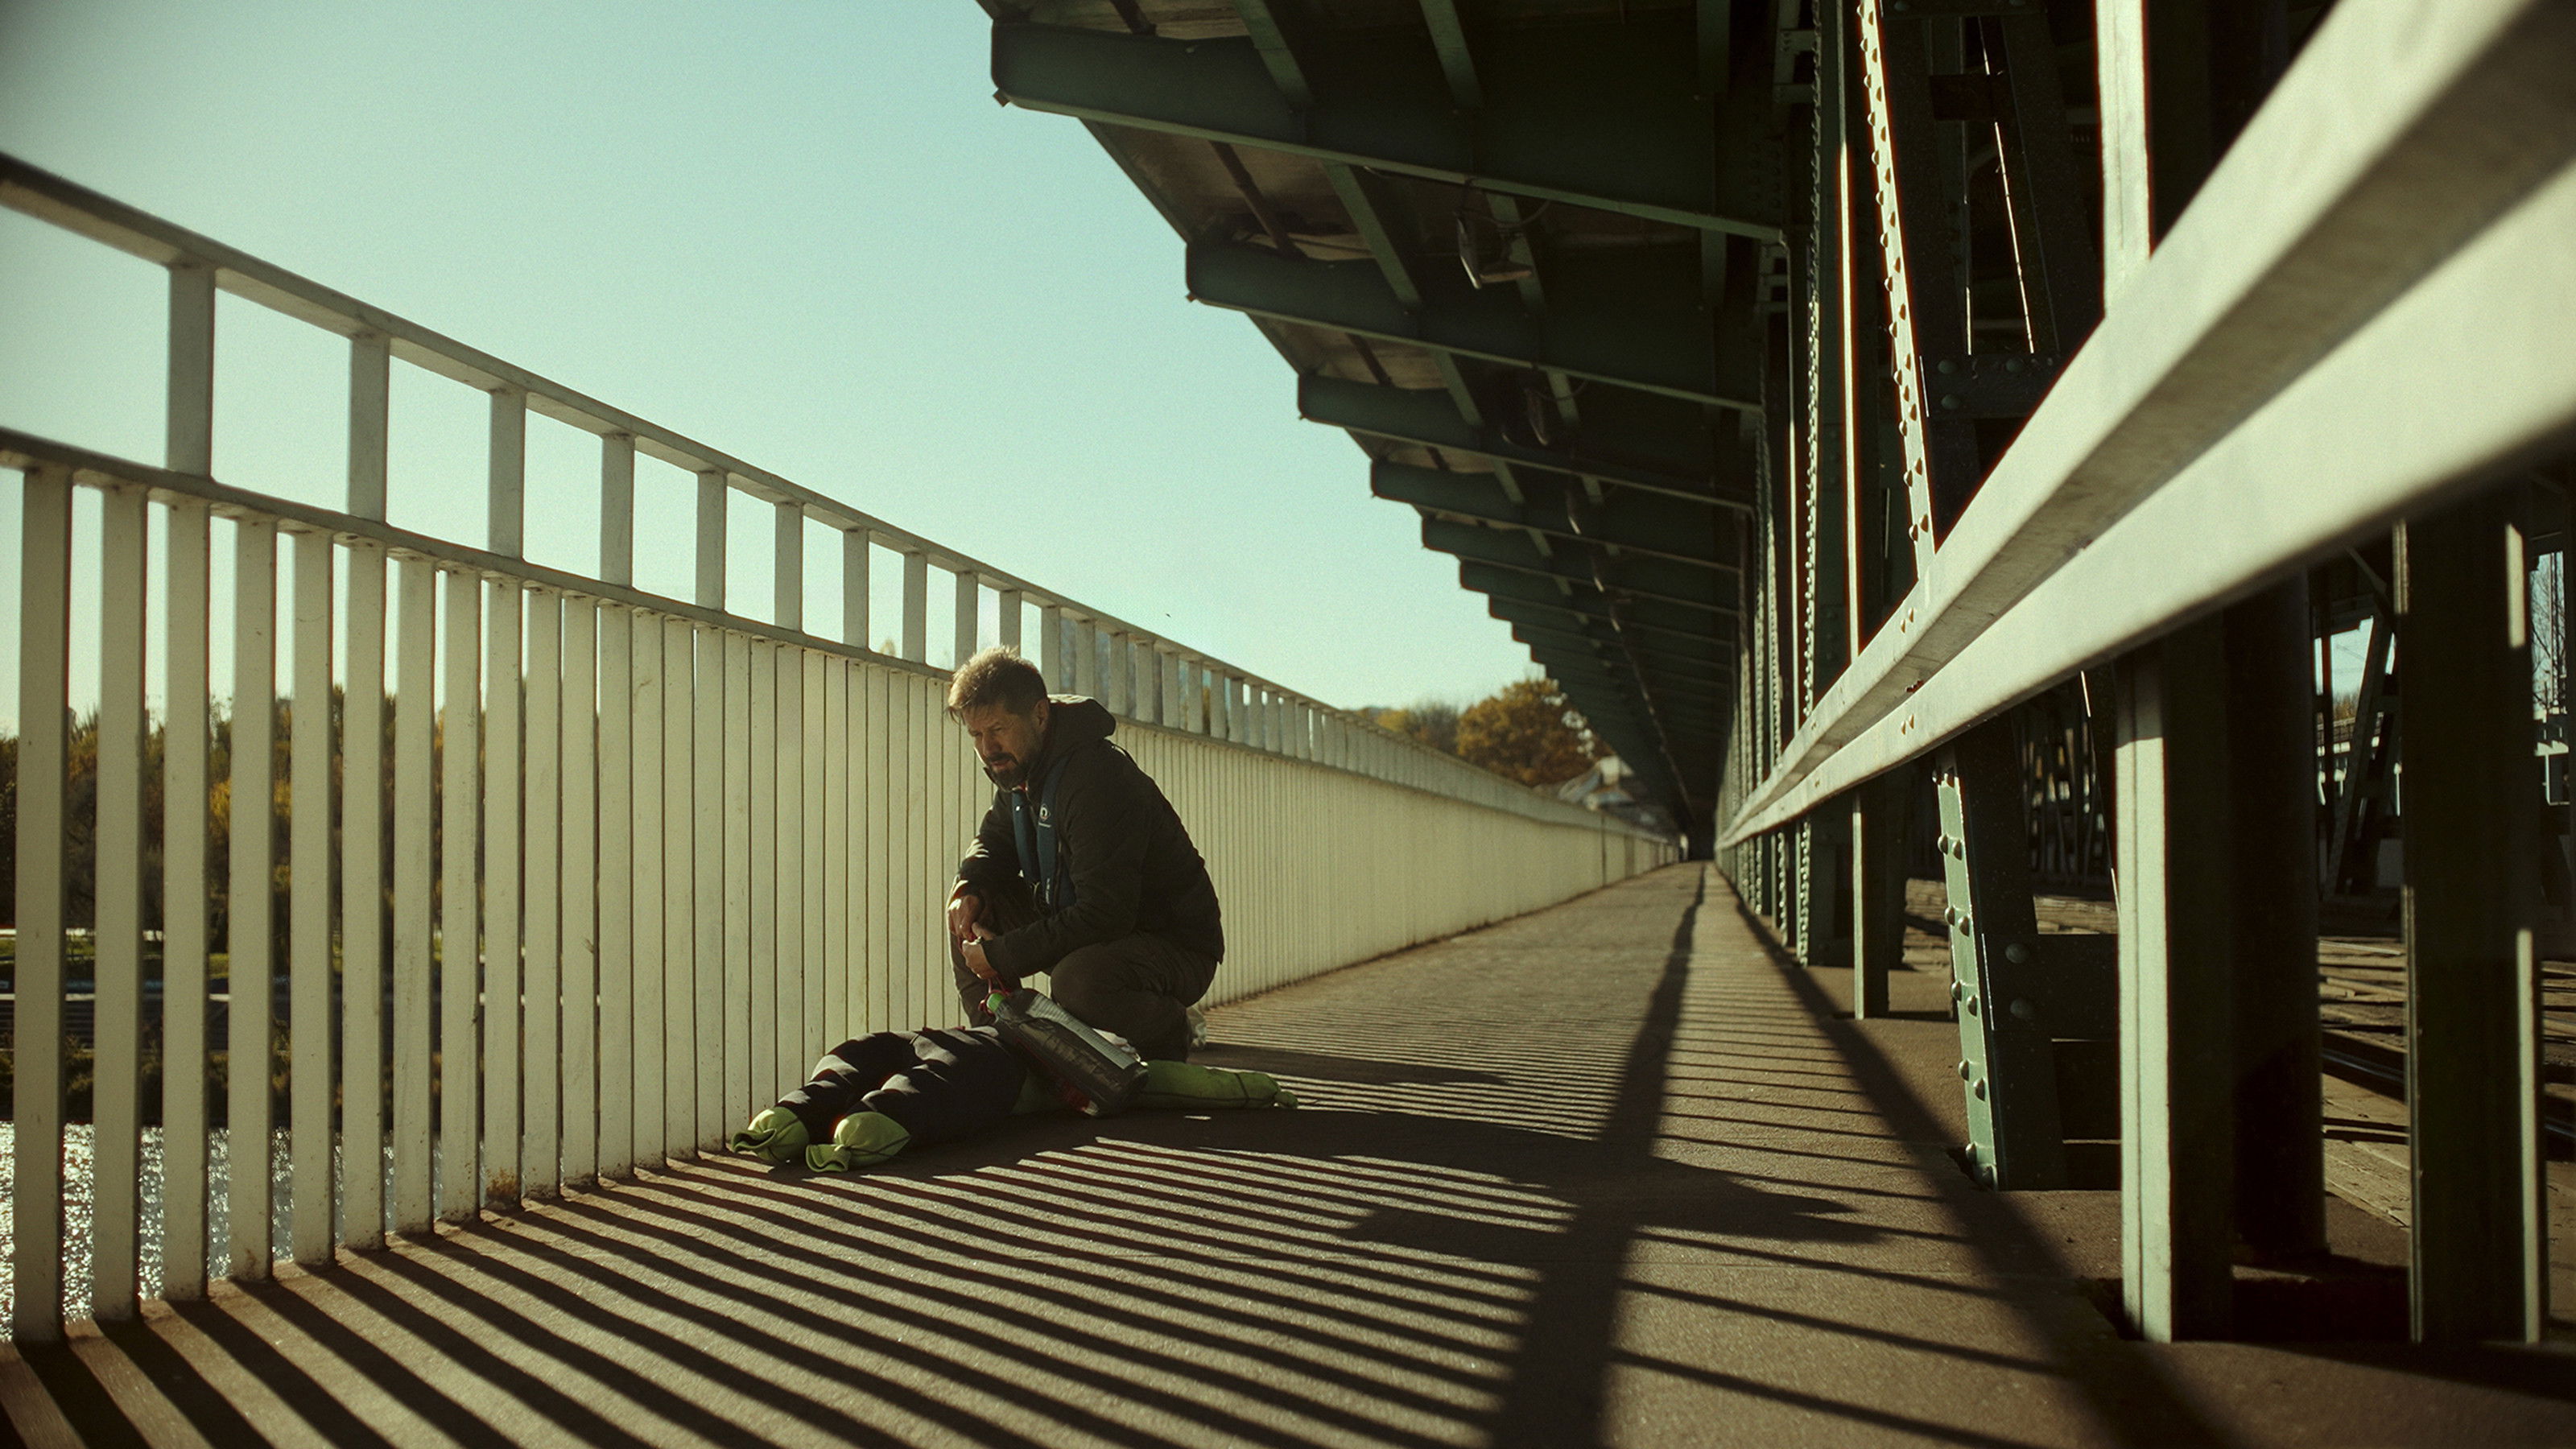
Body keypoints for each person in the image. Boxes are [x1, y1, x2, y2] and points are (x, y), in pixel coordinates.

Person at [943, 646, 1224, 1063]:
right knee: (969, 906)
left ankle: (1168, 1029)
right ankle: (1001, 1048)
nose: (988, 748)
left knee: (1077, 983)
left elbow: (1106, 913)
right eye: (976, 735)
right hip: (1094, 931)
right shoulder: (1022, 769)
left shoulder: (1097, 779)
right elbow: (993, 842)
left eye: (997, 729)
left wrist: (1002, 955)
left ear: (1040, 715)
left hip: (1172, 945)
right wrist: (970, 886)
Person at [728, 1025, 1296, 1173]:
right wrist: (1257, 1088)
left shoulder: (1029, 1019)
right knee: (933, 1090)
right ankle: (862, 1130)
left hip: (924, 1035)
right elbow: (1173, 1081)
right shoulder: (1108, 1066)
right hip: (987, 1061)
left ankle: (786, 1120)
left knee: (852, 1061)